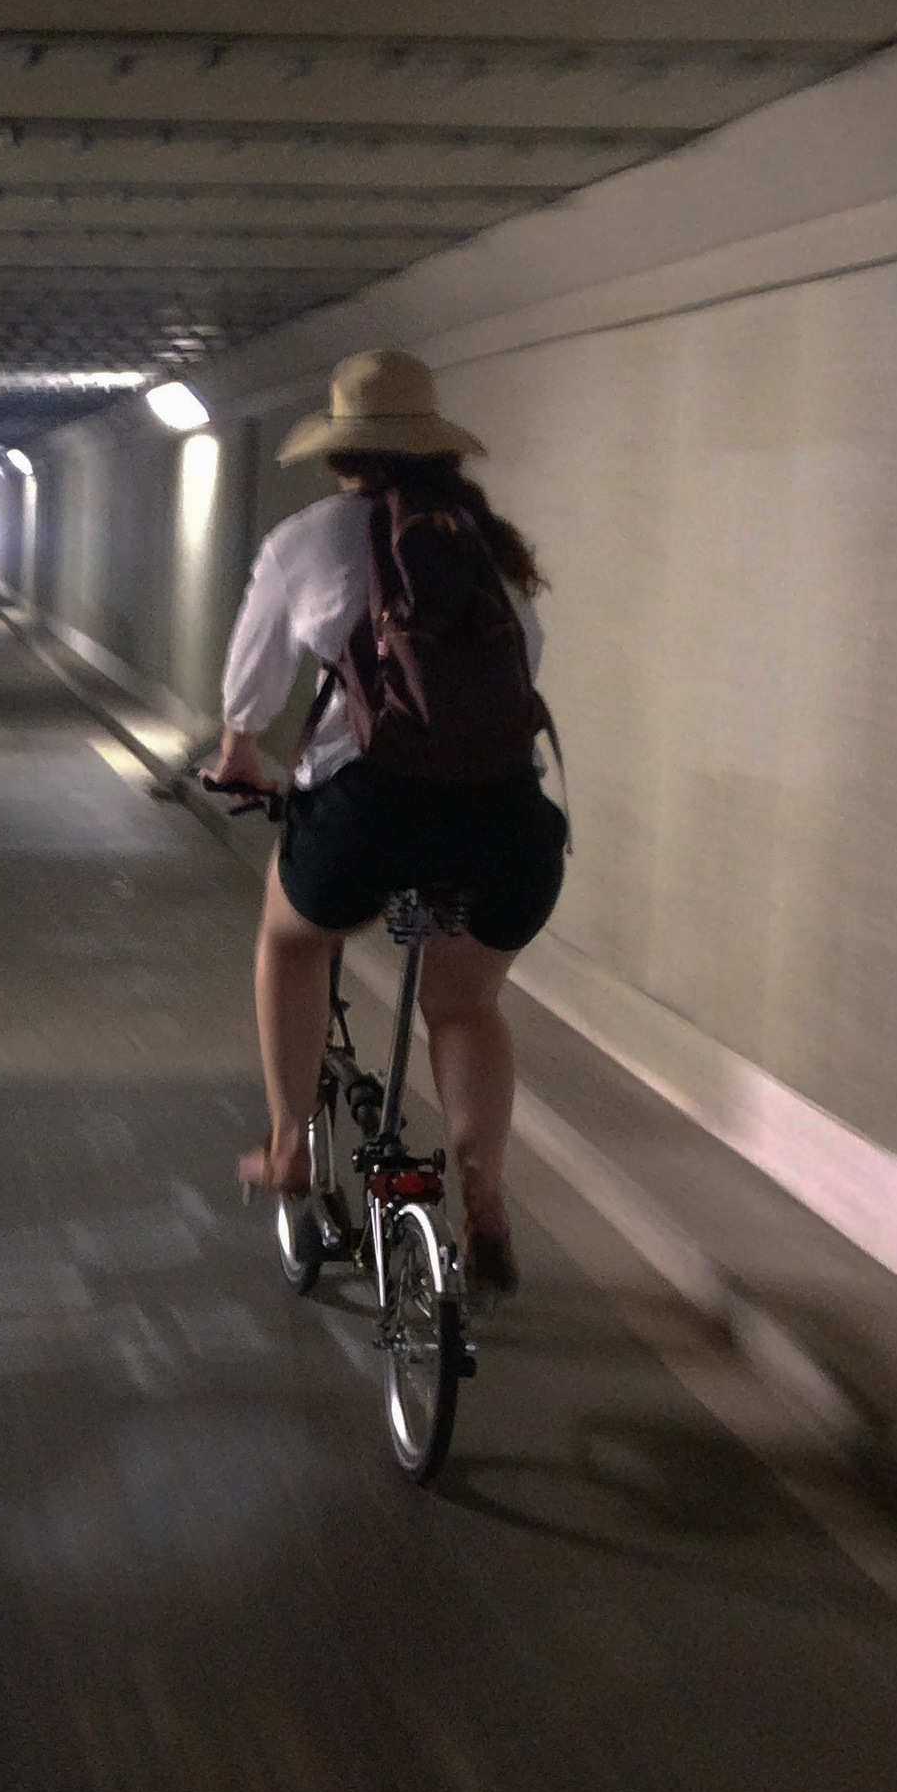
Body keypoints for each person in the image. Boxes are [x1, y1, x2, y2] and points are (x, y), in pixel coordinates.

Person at [197, 348, 567, 1295]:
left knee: (292, 941)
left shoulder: (306, 540)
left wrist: (240, 751)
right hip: (507, 826)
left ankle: (288, 1151)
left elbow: (252, 681)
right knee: (464, 1002)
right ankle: (480, 1189)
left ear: (341, 453)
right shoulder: (491, 546)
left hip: (371, 818)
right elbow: (522, 666)